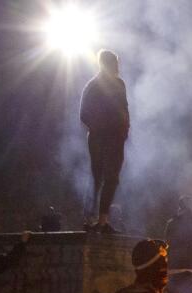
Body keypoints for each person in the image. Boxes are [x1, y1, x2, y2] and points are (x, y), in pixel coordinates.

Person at [80, 49, 130, 234]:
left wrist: (125, 130)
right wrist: (100, 128)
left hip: (116, 139)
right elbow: (84, 114)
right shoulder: (93, 86)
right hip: (99, 138)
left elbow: (125, 108)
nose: (115, 67)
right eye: (113, 63)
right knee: (97, 177)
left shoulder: (119, 85)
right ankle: (90, 218)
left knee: (112, 179)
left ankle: (102, 220)